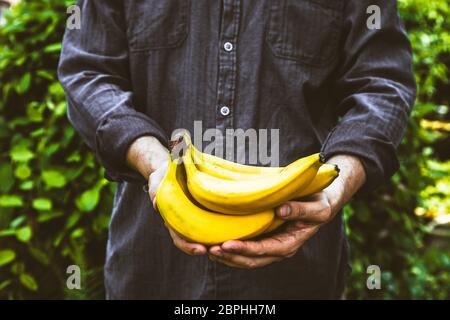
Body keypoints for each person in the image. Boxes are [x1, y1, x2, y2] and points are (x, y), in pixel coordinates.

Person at [58, 0, 416, 299]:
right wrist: (153, 160)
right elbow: (87, 70)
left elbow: (383, 85)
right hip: (151, 270)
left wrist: (336, 184)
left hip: (297, 279)